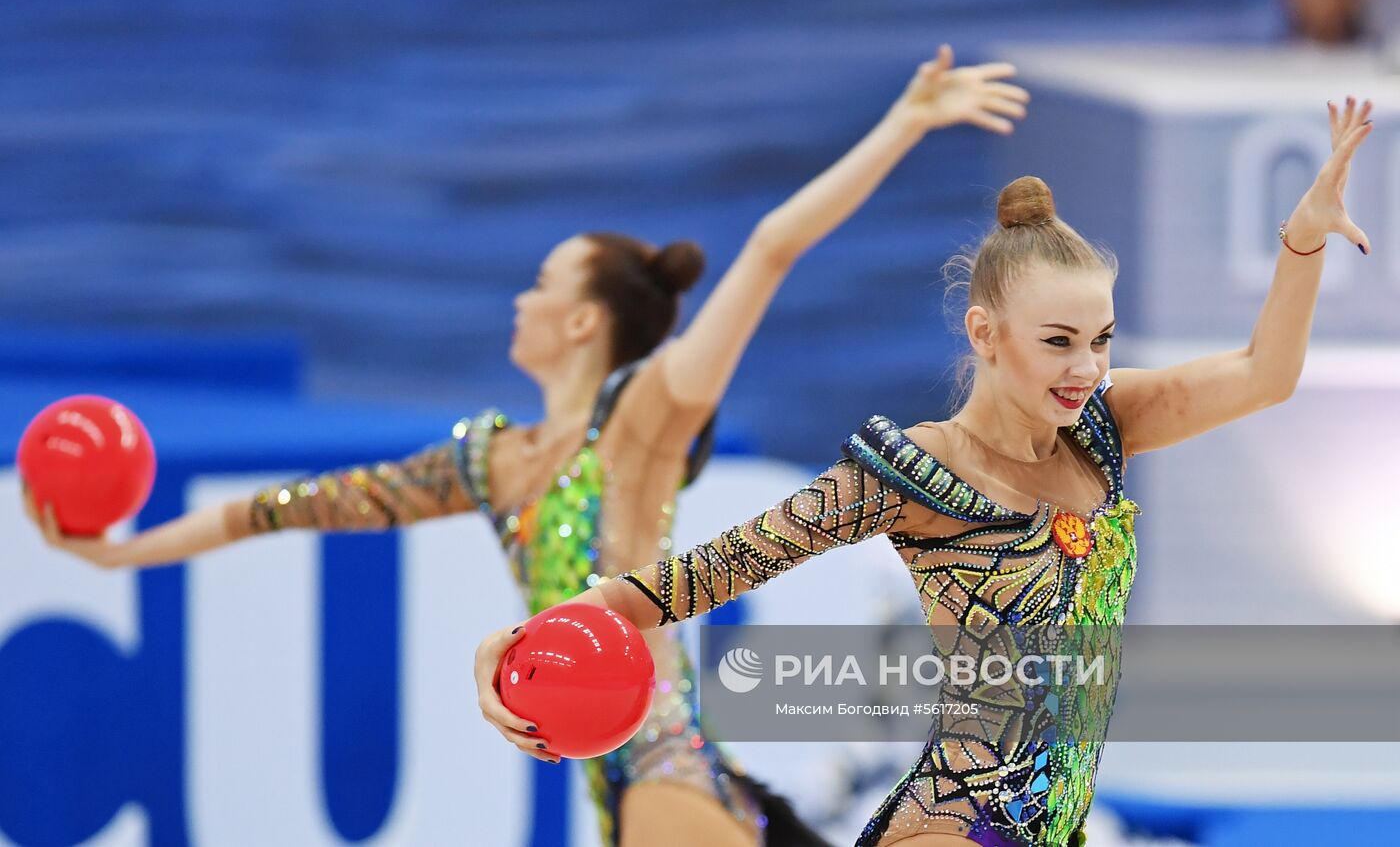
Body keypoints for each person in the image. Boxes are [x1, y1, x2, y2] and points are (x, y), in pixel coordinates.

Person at [27, 47, 1032, 847]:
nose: (522, 296)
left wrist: (902, 122)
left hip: (658, 768)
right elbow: (284, 508)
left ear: (586, 322)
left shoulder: (640, 424)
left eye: (544, 280)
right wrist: (117, 552)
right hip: (618, 782)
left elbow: (770, 244)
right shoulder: (488, 464)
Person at [472, 99, 1374, 846]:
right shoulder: (918, 469)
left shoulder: (1103, 425)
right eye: (1057, 342)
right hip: (956, 826)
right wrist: (514, 646)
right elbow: (710, 570)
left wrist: (1301, 242)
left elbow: (1267, 375)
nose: (1084, 368)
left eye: (1099, 340)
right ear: (985, 334)